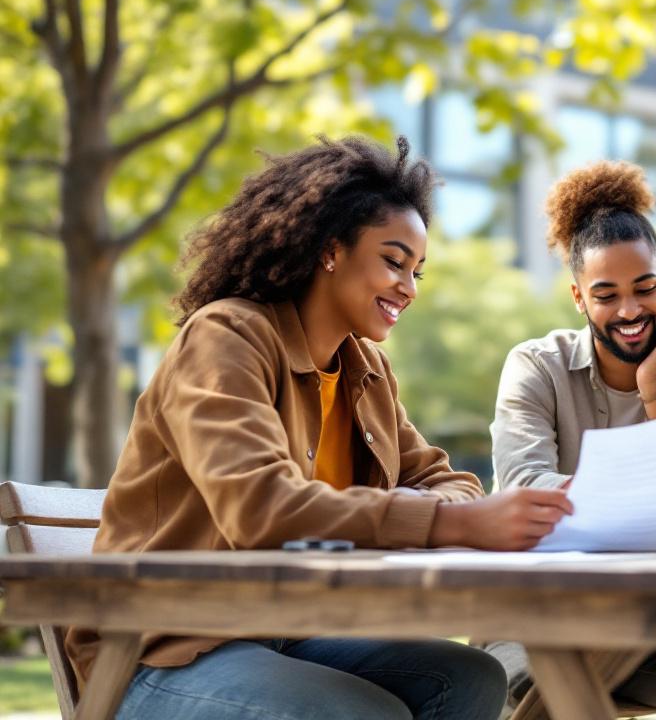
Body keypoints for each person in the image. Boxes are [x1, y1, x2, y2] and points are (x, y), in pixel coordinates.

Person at [66, 136, 574, 720]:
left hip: (279, 634)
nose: (407, 287)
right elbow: (260, 508)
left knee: (467, 678)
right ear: (331, 250)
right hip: (159, 652)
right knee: (362, 714)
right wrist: (445, 521)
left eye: (416, 271)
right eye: (393, 260)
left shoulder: (366, 370)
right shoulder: (226, 337)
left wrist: (441, 507)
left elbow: (445, 478)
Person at [488, 160, 656, 719]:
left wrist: (653, 389)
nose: (630, 310)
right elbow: (524, 484)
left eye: (645, 288)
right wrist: (651, 497)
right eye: (606, 295)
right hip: (526, 613)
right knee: (547, 695)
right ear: (579, 298)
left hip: (639, 623)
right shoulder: (535, 366)